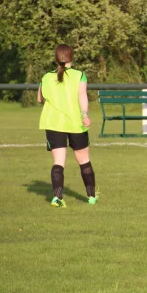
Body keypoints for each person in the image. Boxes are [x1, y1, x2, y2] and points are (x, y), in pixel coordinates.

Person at [38, 44, 98, 207]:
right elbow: (82, 97)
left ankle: (57, 197)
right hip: (75, 123)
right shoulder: (79, 75)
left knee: (58, 162)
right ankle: (91, 197)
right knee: (84, 160)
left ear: (56, 58)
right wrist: (84, 114)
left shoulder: (46, 77)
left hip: (53, 123)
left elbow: (39, 98)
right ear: (71, 57)